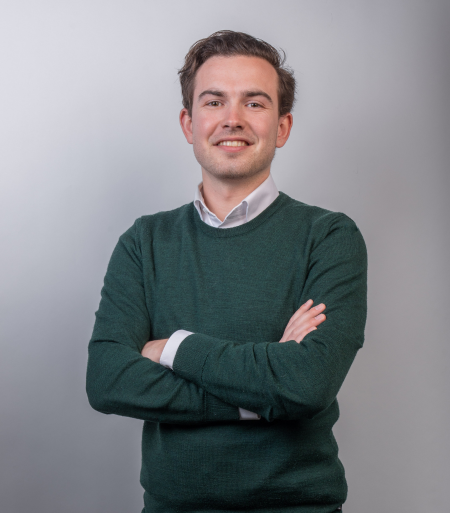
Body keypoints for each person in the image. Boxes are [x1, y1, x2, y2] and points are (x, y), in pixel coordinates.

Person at [86, 30, 367, 513]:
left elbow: (306, 385)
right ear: (189, 122)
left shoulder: (329, 237)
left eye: (254, 103)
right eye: (214, 101)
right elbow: (108, 380)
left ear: (282, 127)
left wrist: (172, 348)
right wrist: (262, 392)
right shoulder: (144, 242)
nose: (232, 119)